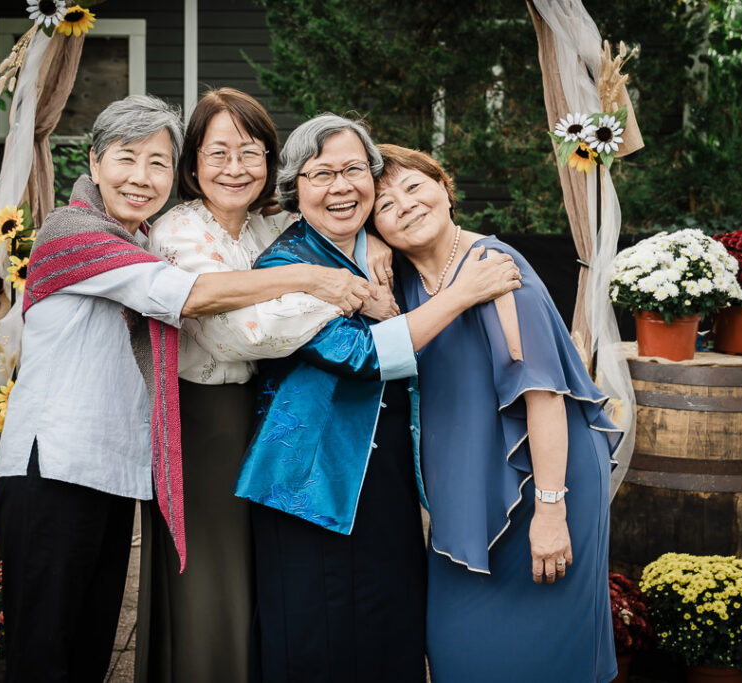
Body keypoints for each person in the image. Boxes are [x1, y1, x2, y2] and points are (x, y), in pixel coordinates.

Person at [0, 94, 371, 683]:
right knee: (45, 648)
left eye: (156, 163)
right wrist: (314, 279)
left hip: (113, 470)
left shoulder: (139, 236)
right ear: (93, 164)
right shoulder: (76, 234)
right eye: (127, 159)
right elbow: (190, 298)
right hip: (54, 469)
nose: (142, 178)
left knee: (90, 643)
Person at [233, 114, 523, 683]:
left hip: (382, 472)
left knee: (392, 627)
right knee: (315, 640)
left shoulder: (379, 244)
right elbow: (363, 356)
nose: (340, 187)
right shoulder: (283, 266)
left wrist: (371, 240)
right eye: (320, 175)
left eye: (352, 170)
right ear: (295, 189)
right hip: (308, 482)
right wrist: (462, 295)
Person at [136, 88, 395, 683]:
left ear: (271, 161)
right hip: (203, 421)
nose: (234, 168)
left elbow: (339, 218)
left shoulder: (264, 225)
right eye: (218, 153)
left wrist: (371, 241)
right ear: (192, 163)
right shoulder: (177, 234)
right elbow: (238, 335)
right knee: (212, 580)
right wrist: (339, 291)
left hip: (262, 416)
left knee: (261, 576)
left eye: (250, 153)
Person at [370, 143, 624, 683]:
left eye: (414, 187)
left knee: (552, 656)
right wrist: (370, 243)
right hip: (465, 486)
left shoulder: (496, 268)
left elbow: (544, 397)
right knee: (456, 647)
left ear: (444, 187)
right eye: (385, 206)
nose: (406, 206)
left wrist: (551, 512)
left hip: (544, 476)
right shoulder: (404, 280)